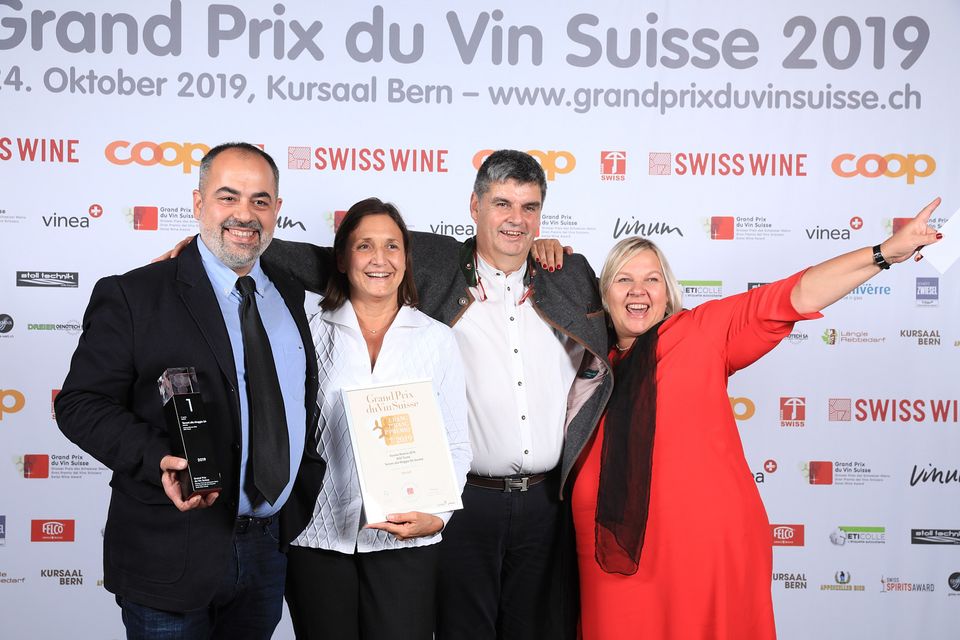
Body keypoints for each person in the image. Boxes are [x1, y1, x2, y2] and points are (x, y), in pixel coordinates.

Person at [262, 150, 611, 639]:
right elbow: (325, 259)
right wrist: (223, 250)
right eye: (502, 204)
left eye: (529, 207)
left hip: (545, 501)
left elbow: (624, 320)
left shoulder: (567, 274)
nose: (516, 219)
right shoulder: (436, 262)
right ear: (474, 206)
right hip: (467, 499)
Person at [569, 198, 944, 639]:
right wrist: (543, 251)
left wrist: (883, 254)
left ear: (667, 292)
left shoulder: (699, 331)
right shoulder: (585, 359)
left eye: (652, 279)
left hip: (699, 551)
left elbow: (795, 294)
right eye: (624, 279)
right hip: (606, 556)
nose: (638, 290)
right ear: (604, 294)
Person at [55, 143, 326, 639]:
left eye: (260, 200)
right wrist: (157, 458)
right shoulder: (135, 294)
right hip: (169, 550)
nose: (245, 214)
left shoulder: (289, 292)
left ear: (277, 210)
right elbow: (79, 404)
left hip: (267, 550)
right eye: (228, 197)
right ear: (198, 203)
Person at [283, 197, 471, 639]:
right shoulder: (307, 329)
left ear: (406, 258)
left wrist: (439, 515)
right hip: (316, 536)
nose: (379, 259)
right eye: (364, 246)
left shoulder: (436, 339)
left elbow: (457, 444)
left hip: (407, 540)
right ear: (342, 258)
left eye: (392, 246)